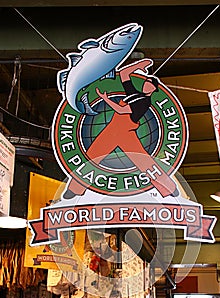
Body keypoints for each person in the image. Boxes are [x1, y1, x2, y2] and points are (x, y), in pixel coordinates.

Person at [63, 58, 179, 199]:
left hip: (126, 133)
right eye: (146, 83)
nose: (146, 85)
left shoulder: (144, 102)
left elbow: (121, 110)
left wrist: (105, 99)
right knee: (92, 157)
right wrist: (139, 65)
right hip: (111, 130)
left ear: (154, 89)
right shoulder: (134, 94)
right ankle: (74, 190)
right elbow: (124, 73)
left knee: (145, 163)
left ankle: (169, 188)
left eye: (150, 85)